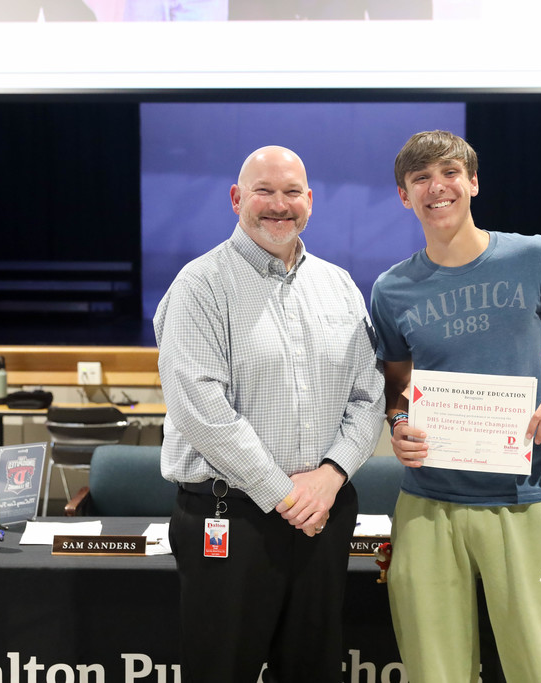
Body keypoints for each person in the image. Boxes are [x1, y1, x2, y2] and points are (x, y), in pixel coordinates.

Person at [369, 130, 541, 683]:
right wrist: (399, 421)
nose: (438, 188)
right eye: (421, 179)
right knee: (436, 673)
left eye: (450, 173)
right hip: (429, 505)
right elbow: (396, 384)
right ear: (405, 196)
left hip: (522, 496)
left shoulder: (530, 256)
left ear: (473, 182)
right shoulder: (392, 289)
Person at [154, 145, 385, 682]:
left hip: (322, 518)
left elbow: (369, 393)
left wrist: (330, 477)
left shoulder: (340, 286)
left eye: (291, 193)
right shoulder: (200, 285)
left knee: (314, 670)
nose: (278, 205)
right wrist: (285, 494)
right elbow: (202, 410)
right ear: (237, 199)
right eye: (264, 191)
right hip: (230, 519)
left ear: (310, 201)